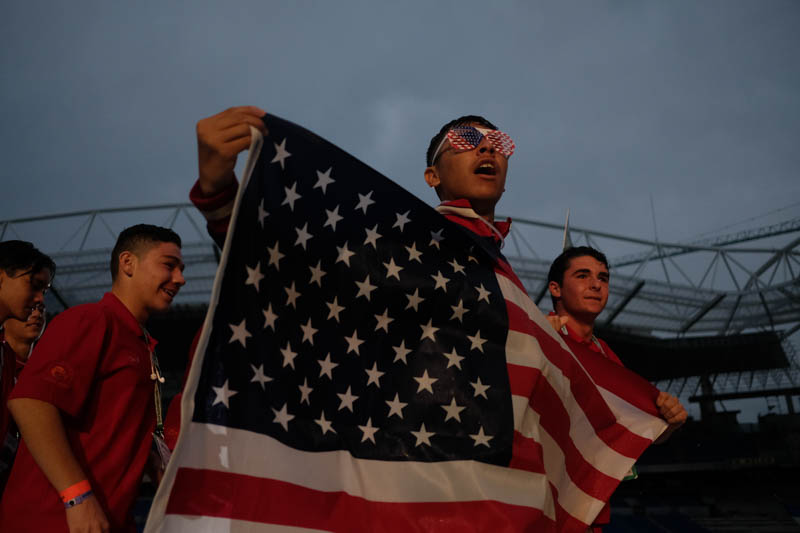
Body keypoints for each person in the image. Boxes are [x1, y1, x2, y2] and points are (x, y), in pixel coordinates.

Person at [0, 224, 185, 533]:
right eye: (169, 265)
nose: (180, 278)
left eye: (181, 269)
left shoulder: (140, 344)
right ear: (127, 263)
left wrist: (152, 458)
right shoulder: (91, 320)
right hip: (53, 520)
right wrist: (77, 496)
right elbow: (30, 402)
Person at [547, 245, 688, 532]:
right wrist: (537, 346)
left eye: (603, 278)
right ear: (556, 288)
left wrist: (670, 423)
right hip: (539, 505)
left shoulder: (605, 355)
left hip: (588, 511)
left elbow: (638, 429)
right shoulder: (535, 334)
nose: (596, 285)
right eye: (583, 276)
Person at [0, 304, 47, 494]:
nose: (36, 314)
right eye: (29, 309)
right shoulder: (4, 362)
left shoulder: (45, 371)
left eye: (41, 309)